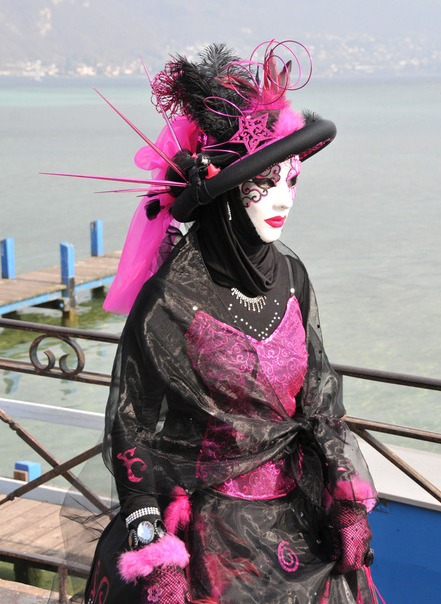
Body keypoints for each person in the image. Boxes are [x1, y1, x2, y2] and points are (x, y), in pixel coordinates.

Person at [84, 41, 378, 604]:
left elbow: (318, 394)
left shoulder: (292, 274)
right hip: (207, 537)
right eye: (263, 182)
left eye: (291, 180)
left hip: (299, 519)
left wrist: (343, 492)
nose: (282, 199)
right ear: (222, 190)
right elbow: (132, 424)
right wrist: (153, 548)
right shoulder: (172, 295)